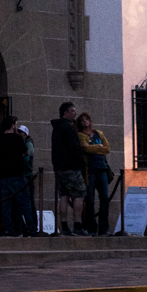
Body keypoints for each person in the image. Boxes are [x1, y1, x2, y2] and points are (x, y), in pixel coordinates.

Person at [50, 100, 87, 236]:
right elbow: (74, 147)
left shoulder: (57, 128)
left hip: (59, 167)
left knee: (64, 195)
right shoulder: (68, 127)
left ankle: (64, 226)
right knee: (79, 193)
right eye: (72, 111)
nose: (75, 113)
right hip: (71, 167)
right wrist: (81, 163)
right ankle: (77, 225)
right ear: (65, 113)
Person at [0, 116, 33, 237]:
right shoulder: (17, 138)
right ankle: (31, 228)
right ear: (12, 125)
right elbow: (26, 151)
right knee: (25, 203)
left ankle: (8, 229)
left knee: (6, 205)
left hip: (4, 174)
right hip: (17, 174)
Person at [76, 112, 112, 236]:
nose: (85, 122)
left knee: (104, 198)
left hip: (102, 168)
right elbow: (86, 148)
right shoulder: (81, 135)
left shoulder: (99, 133)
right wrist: (98, 146)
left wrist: (95, 147)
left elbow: (107, 148)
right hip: (90, 170)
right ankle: (91, 227)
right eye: (82, 120)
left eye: (87, 119)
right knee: (90, 199)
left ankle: (104, 228)